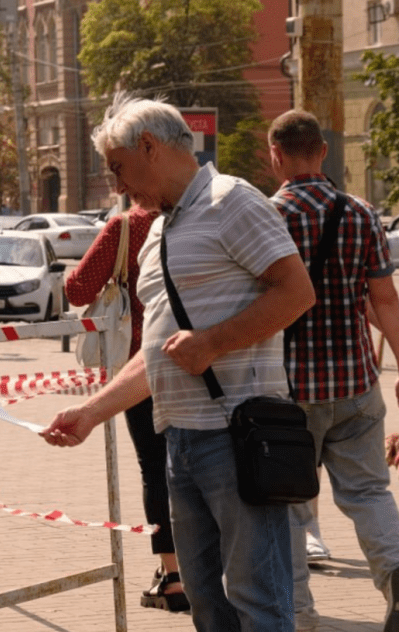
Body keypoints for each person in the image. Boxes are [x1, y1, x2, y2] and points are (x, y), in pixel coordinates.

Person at [40, 94, 316, 631]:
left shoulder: (232, 200)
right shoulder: (159, 231)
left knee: (259, 601)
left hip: (236, 436)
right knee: (206, 603)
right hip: (182, 444)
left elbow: (297, 293)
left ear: (150, 147)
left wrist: (212, 343)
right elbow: (157, 355)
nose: (117, 186)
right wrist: (93, 412)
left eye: (118, 168)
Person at [267, 109, 399, 632]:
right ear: (323, 151)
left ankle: (298, 615)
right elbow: (384, 301)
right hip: (355, 383)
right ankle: (398, 579)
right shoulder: (362, 214)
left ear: (275, 155)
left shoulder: (265, 216)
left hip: (285, 389)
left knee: (289, 506)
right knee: (369, 495)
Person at [64, 203, 188, 612]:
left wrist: (72, 277)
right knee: (200, 465)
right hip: (199, 361)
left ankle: (173, 577)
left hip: (141, 367)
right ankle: (205, 567)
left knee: (155, 470)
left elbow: (79, 290)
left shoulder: (125, 227)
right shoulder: (197, 212)